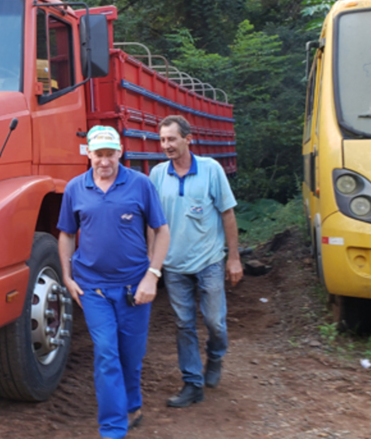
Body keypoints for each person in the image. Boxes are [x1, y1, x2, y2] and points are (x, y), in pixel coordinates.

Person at [58, 125, 170, 439]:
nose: (104, 161)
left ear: (120, 152)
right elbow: (67, 233)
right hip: (92, 288)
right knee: (107, 353)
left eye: (110, 154)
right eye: (98, 154)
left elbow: (161, 230)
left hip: (135, 288)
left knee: (131, 356)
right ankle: (112, 429)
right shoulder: (75, 189)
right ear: (89, 154)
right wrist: (67, 276)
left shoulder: (140, 184)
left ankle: (132, 404)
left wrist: (153, 275)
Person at [148, 115, 242, 409]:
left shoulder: (211, 170)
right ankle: (192, 384)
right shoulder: (157, 175)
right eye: (163, 140)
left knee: (215, 321)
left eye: (172, 139)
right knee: (183, 324)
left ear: (189, 139)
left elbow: (227, 214)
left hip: (209, 261)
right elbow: (152, 223)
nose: (166, 145)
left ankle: (214, 357)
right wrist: (153, 266)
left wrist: (234, 258)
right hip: (174, 266)